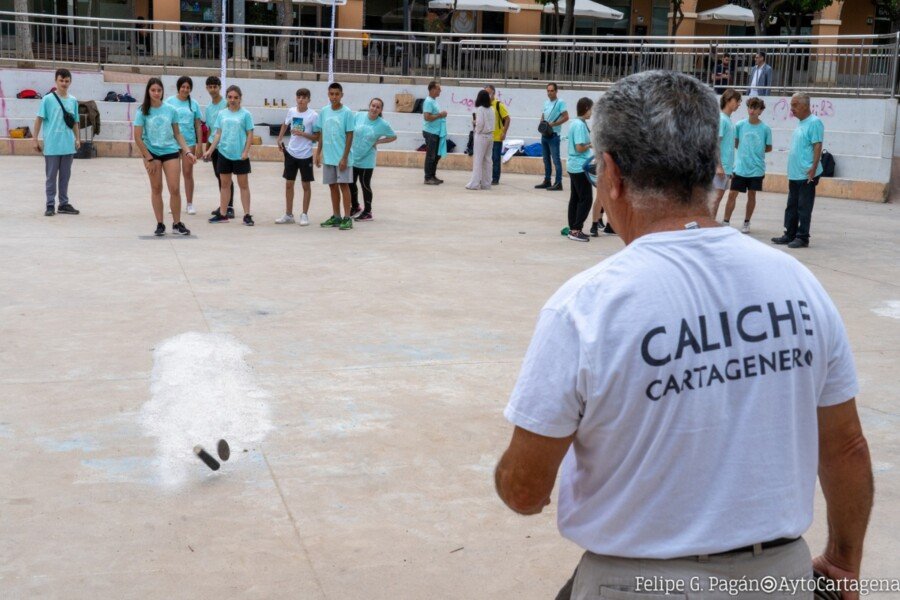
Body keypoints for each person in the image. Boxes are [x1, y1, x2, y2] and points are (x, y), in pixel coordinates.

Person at [495, 70, 872, 600]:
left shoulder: (586, 307)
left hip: (637, 579)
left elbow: (526, 489)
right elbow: (847, 446)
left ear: (611, 174)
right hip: (780, 577)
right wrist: (842, 561)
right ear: (715, 171)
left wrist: (512, 479)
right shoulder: (798, 283)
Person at [133, 77, 196, 236]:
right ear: (148, 91)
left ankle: (177, 223)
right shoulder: (142, 111)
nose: (156, 93)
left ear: (162, 92)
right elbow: (138, 137)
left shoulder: (171, 110)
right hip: (151, 153)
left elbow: (177, 133)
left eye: (159, 90)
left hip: (170, 151)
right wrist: (148, 158)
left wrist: (187, 151)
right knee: (156, 188)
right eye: (153, 90)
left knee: (174, 188)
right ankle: (160, 223)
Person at [773, 93, 824, 249]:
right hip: (795, 173)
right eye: (791, 105)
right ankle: (790, 234)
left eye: (795, 105)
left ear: (805, 105)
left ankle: (802, 237)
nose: (792, 108)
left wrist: (813, 168)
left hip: (806, 172)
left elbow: (817, 146)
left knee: (804, 206)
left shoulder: (814, 122)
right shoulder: (801, 123)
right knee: (792, 206)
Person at [204, 85, 255, 226]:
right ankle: (223, 214)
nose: (232, 100)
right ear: (227, 98)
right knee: (225, 184)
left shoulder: (246, 114)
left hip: (240, 155)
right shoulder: (222, 114)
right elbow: (218, 133)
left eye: (236, 97)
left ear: (240, 99)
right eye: (230, 97)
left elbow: (250, 134)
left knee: (243, 185)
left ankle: (247, 215)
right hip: (224, 153)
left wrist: (246, 151)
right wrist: (210, 150)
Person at [33, 68, 81, 217]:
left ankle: (64, 203)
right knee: (51, 177)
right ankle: (50, 204)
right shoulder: (47, 99)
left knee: (65, 177)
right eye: (61, 80)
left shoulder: (73, 100)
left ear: (70, 82)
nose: (64, 83)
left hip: (68, 145)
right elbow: (39, 119)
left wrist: (78, 138)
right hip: (52, 145)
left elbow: (75, 122)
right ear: (56, 81)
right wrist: (34, 139)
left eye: (67, 81)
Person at [725, 97, 773, 234]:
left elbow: (769, 147)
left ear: (761, 111)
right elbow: (735, 142)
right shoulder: (740, 125)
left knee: (752, 195)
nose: (751, 110)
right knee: (732, 194)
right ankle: (726, 221)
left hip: (756, 169)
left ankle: (746, 222)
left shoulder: (765, 129)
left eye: (755, 108)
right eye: (750, 107)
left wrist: (756, 150)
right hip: (740, 167)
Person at [313, 82, 356, 231]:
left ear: (341, 95)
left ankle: (347, 218)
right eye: (331, 94)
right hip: (329, 157)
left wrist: (344, 158)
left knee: (344, 186)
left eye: (337, 94)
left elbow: (350, 135)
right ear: (328, 94)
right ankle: (336, 216)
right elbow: (322, 133)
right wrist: (318, 153)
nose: (334, 97)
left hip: (341, 158)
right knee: (332, 186)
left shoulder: (347, 112)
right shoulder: (324, 111)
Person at [349, 98, 397, 221]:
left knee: (365, 185)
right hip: (354, 156)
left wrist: (378, 141)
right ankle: (355, 206)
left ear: (381, 110)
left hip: (367, 159)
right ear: (369, 106)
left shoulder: (383, 124)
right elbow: (349, 130)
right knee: (350, 183)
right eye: (373, 105)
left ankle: (367, 212)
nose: (374, 109)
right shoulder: (359, 115)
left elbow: (393, 136)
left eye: (378, 107)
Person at [275, 88, 318, 226]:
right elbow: (285, 124)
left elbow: (317, 136)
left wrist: (303, 134)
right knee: (289, 184)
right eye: (299, 97)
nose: (301, 99)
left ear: (309, 100)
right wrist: (280, 138)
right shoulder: (292, 111)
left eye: (304, 97)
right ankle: (288, 214)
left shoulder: (313, 115)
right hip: (291, 153)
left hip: (306, 155)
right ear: (296, 98)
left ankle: (304, 214)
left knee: (306, 185)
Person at [165, 76, 203, 215]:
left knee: (188, 173)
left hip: (190, 142)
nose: (185, 89)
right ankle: (173, 202)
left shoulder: (194, 104)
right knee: (173, 174)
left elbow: (198, 125)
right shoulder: (169, 102)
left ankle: (189, 203)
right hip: (172, 143)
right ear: (178, 87)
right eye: (183, 87)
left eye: (188, 87)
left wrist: (199, 145)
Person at [564, 97, 593, 242]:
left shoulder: (574, 123)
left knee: (575, 198)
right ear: (586, 108)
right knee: (586, 199)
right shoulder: (580, 125)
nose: (592, 113)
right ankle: (576, 230)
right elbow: (580, 147)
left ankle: (573, 228)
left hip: (573, 165)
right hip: (580, 166)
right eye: (591, 109)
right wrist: (590, 145)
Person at [205, 76, 234, 219]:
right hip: (213, 146)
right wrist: (207, 148)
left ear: (219, 87)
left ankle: (230, 207)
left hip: (225, 145)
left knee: (226, 177)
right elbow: (210, 130)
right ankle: (223, 204)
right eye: (210, 87)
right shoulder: (209, 108)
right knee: (219, 175)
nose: (212, 89)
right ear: (206, 88)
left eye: (215, 87)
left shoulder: (226, 104)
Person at [712, 88, 741, 218]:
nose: (739, 103)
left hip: (726, 168)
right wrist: (719, 166)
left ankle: (709, 226)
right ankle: (708, 227)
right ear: (728, 100)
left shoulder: (728, 120)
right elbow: (715, 144)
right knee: (715, 199)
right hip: (720, 167)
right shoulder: (722, 119)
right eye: (737, 100)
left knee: (718, 198)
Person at [535, 83, 568, 192]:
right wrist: (541, 124)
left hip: (554, 135)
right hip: (545, 134)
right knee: (546, 159)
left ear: (556, 91)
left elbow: (566, 117)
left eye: (552, 91)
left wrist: (553, 124)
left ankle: (558, 182)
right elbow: (543, 115)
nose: (549, 93)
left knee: (556, 159)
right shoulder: (546, 103)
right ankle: (547, 180)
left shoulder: (560, 103)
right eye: (548, 91)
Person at [465, 90, 495, 191]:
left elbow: (480, 124)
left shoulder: (480, 109)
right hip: (490, 135)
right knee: (487, 160)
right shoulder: (491, 109)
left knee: (478, 160)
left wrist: (476, 127)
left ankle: (474, 183)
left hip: (481, 136)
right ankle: (486, 184)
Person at [422, 81, 448, 185]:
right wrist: (440, 115)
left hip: (436, 132)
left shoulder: (434, 101)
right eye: (438, 89)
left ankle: (432, 175)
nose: (440, 91)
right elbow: (427, 117)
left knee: (436, 155)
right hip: (430, 132)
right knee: (431, 156)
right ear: (432, 89)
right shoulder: (428, 101)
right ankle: (428, 177)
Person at [484, 84, 510, 185]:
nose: (487, 95)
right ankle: (486, 177)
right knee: (486, 159)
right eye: (485, 93)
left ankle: (495, 179)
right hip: (486, 137)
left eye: (489, 93)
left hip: (496, 137)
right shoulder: (484, 105)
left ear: (493, 93)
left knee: (495, 158)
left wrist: (504, 132)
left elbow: (507, 118)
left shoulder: (499, 105)